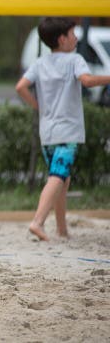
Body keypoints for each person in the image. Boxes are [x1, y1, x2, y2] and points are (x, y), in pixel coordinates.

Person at [15, 17, 110, 241]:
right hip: (67, 131)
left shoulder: (39, 63)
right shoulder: (74, 60)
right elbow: (86, 81)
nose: (76, 38)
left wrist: (37, 106)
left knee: (61, 179)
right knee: (57, 177)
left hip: (47, 131)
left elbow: (21, 87)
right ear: (62, 39)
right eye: (73, 34)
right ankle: (38, 222)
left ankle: (62, 229)